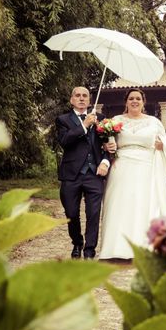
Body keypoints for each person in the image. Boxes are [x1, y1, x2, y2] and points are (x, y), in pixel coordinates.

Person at [98, 89, 166, 261]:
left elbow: (165, 141)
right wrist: (105, 147)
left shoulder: (154, 122)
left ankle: (143, 247)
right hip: (121, 166)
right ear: (126, 102)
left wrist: (163, 147)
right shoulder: (115, 121)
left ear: (143, 102)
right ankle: (115, 249)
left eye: (138, 98)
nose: (134, 101)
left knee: (143, 205)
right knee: (119, 204)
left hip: (146, 167)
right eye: (131, 98)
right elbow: (106, 143)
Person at [55, 86, 115, 259]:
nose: (81, 98)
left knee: (93, 213)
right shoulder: (62, 120)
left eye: (85, 96)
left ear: (89, 100)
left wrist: (105, 161)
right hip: (71, 174)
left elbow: (108, 146)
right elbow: (65, 142)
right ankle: (77, 242)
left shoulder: (102, 119)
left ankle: (89, 250)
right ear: (72, 99)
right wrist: (84, 125)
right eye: (77, 95)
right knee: (71, 213)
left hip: (94, 174)